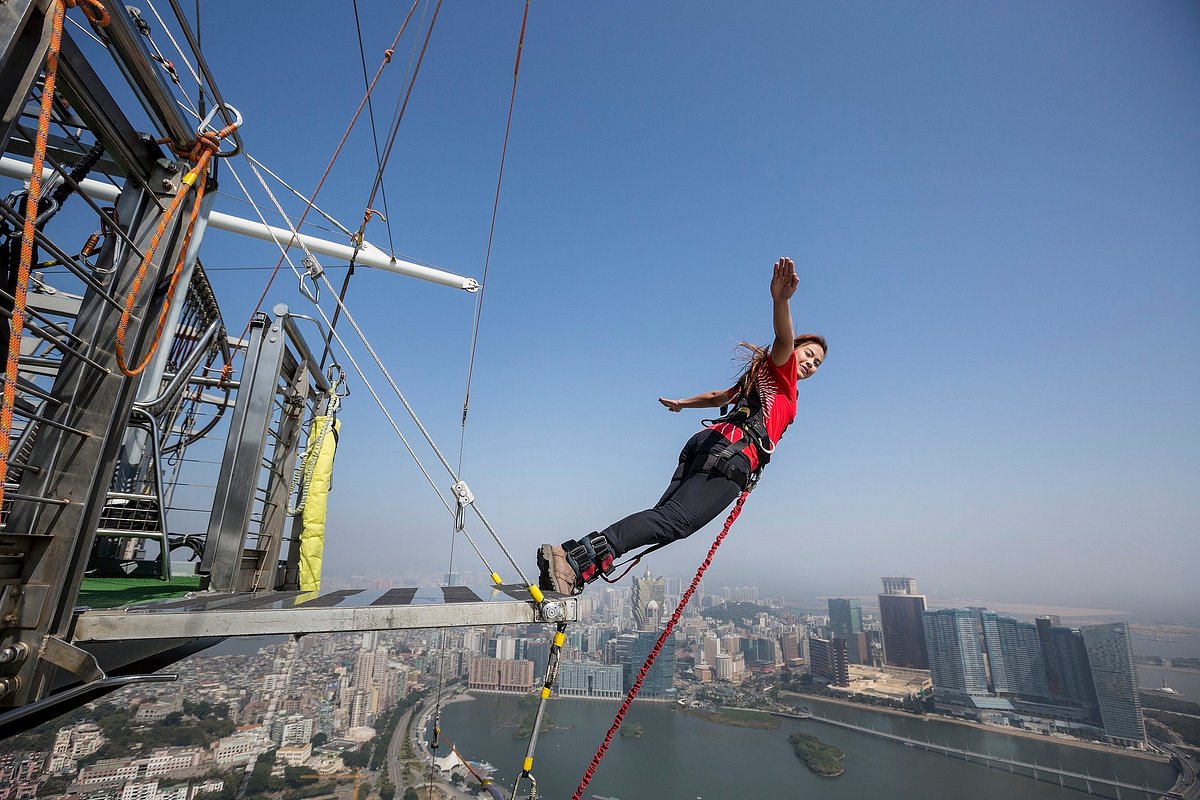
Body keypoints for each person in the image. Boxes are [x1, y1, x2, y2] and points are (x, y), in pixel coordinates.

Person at [537, 257, 826, 595]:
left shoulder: (758, 376)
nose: (810, 363)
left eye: (817, 363)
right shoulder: (783, 377)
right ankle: (572, 559)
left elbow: (719, 397)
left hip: (708, 446)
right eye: (807, 354)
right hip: (730, 457)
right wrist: (781, 302)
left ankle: (578, 565)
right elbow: (782, 339)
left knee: (664, 518)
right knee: (676, 521)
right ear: (795, 350)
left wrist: (683, 403)